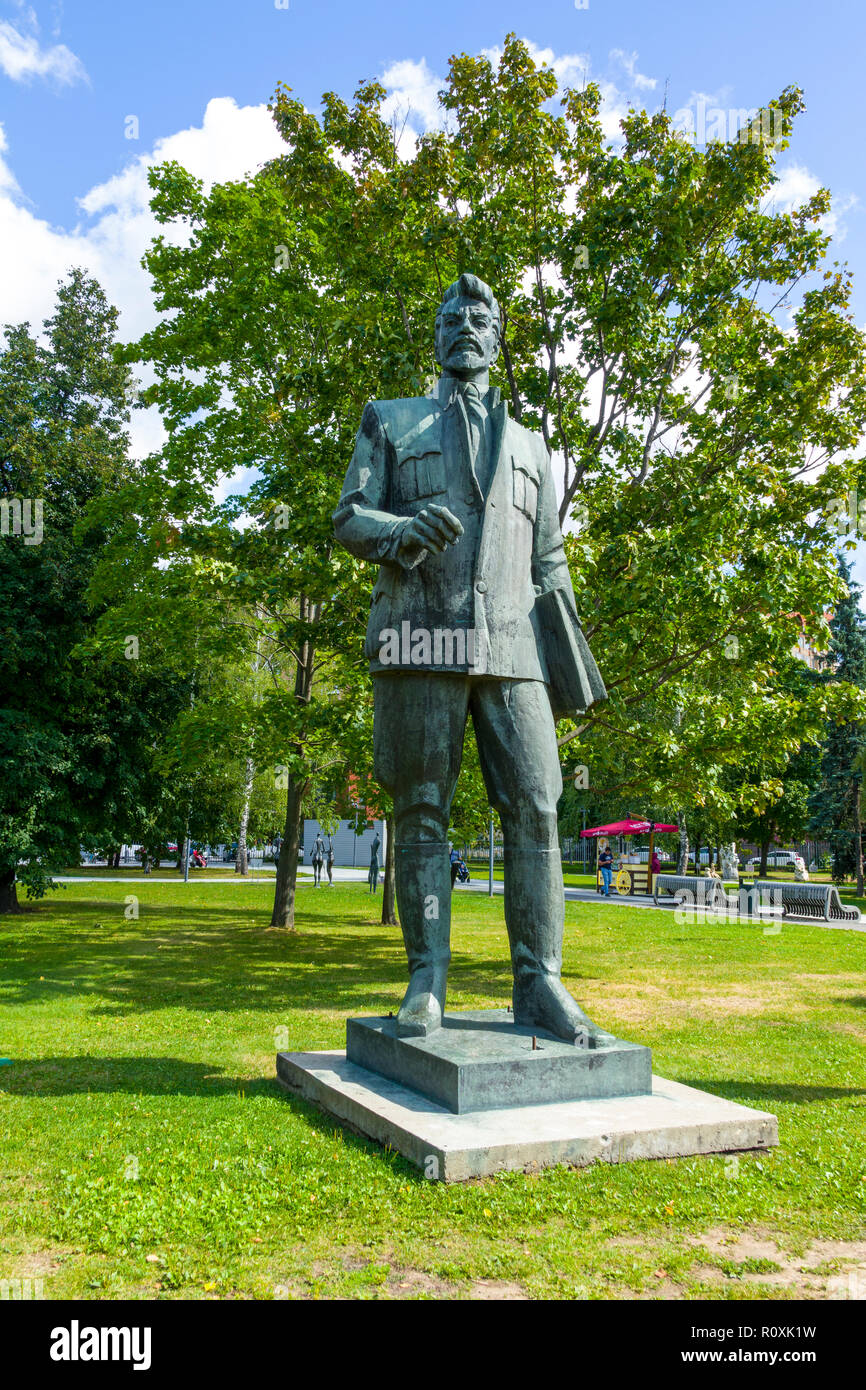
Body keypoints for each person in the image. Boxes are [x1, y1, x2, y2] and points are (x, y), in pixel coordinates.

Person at [334, 272, 609, 1044]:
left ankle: (541, 984)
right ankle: (426, 982)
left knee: (538, 804)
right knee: (420, 808)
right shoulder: (392, 422)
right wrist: (399, 531)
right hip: (420, 636)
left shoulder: (531, 446)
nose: (464, 324)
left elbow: (549, 558)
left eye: (479, 316)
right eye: (450, 315)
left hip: (514, 647)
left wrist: (569, 659)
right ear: (436, 335)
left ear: (497, 337)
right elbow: (348, 518)